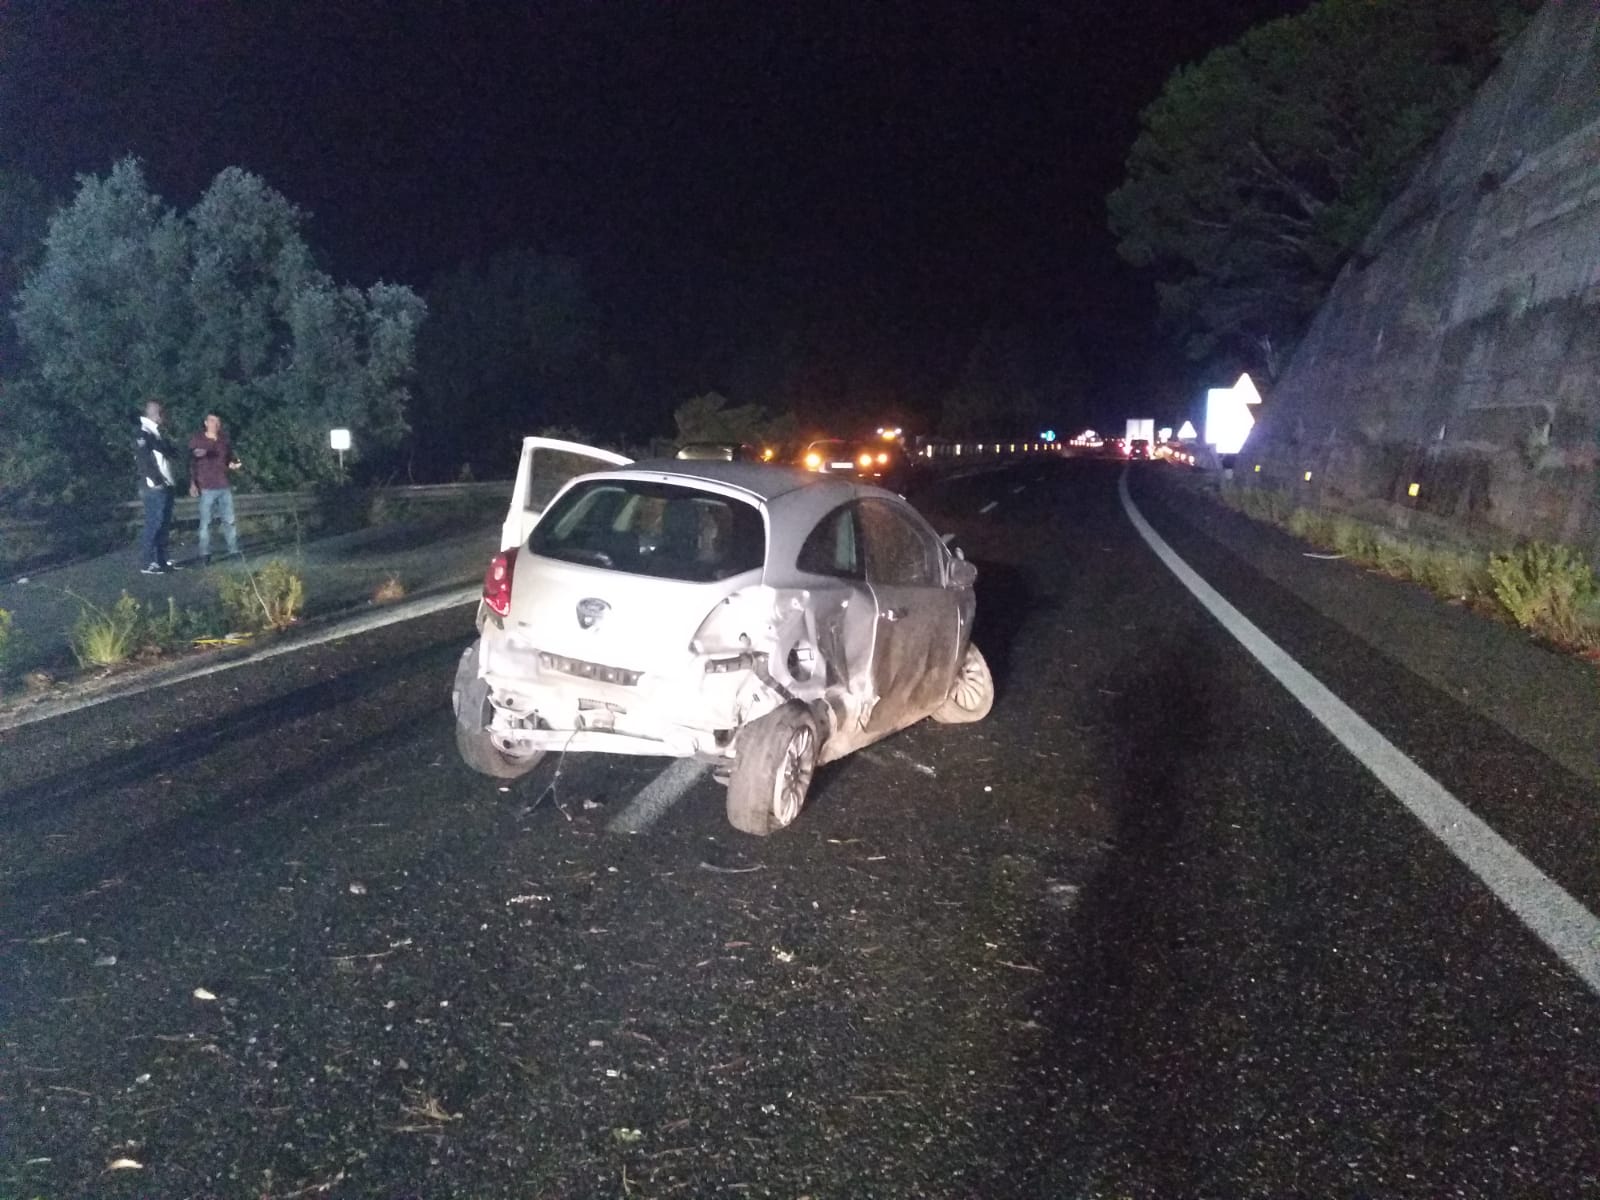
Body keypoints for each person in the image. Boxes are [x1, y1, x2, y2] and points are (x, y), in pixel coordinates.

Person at [133, 399, 180, 575]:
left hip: (164, 484)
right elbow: (145, 462)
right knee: (154, 523)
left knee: (163, 523)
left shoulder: (155, 433)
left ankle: (161, 559)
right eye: (162, 413)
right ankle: (148, 562)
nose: (164, 416)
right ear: (156, 414)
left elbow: (166, 454)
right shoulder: (144, 434)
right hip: (154, 488)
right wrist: (156, 482)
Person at [188, 411, 242, 563]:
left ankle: (233, 550)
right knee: (206, 522)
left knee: (229, 520)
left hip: (223, 485)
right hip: (207, 486)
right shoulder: (197, 440)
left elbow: (229, 459)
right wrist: (192, 483)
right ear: (206, 422)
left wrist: (233, 465)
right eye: (212, 421)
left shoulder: (223, 440)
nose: (215, 425)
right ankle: (205, 553)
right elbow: (191, 462)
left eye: (217, 422)